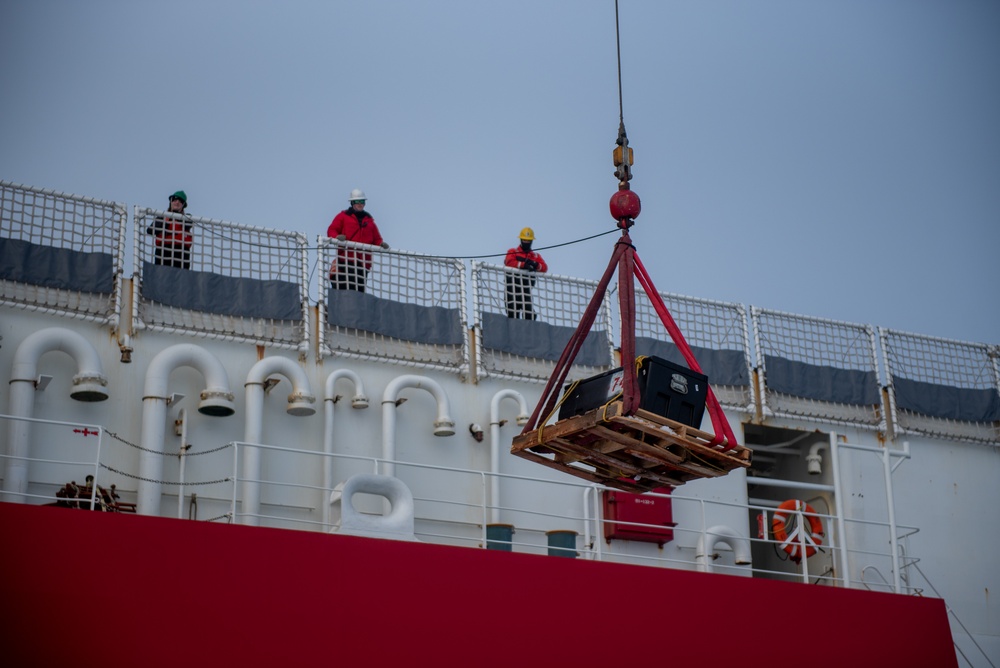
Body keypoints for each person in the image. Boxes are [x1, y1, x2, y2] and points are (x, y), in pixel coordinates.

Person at [327, 188, 388, 292]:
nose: (360, 204)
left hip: (363, 264)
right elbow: (332, 230)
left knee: (359, 291)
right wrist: (337, 237)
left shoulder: (369, 221)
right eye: (357, 201)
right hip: (346, 260)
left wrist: (381, 244)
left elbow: (376, 238)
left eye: (362, 202)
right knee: (344, 287)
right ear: (352, 203)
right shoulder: (343, 217)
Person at [504, 227, 548, 319]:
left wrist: (535, 264)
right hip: (512, 288)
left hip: (526, 289)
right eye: (524, 240)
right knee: (513, 312)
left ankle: (529, 330)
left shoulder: (535, 256)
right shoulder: (513, 252)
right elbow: (509, 262)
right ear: (521, 240)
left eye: (528, 241)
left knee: (529, 314)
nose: (526, 242)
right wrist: (523, 265)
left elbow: (544, 267)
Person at [146, 190, 193, 269]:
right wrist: (164, 224)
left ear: (183, 205)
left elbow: (188, 224)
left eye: (180, 201)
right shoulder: (162, 217)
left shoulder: (187, 217)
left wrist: (177, 216)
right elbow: (150, 230)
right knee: (162, 275)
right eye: (175, 200)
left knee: (181, 277)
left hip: (181, 253)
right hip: (164, 251)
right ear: (171, 201)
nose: (177, 202)